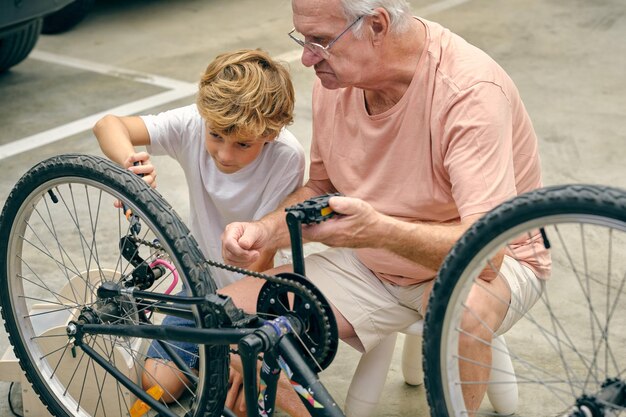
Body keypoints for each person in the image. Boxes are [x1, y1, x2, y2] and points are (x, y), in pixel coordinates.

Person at [220, 1, 547, 415]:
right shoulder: (336, 80)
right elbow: (322, 187)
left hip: (489, 266)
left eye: (319, 40)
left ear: (375, 25)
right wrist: (265, 230)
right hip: (373, 262)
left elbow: (486, 255)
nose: (306, 58)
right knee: (224, 315)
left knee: (462, 313)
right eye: (302, 39)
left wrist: (379, 232)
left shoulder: (467, 91)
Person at [93, 49, 305, 414]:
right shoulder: (196, 122)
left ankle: (219, 359)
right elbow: (108, 125)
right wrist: (131, 165)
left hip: (262, 294)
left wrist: (243, 339)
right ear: (206, 118)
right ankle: (212, 359)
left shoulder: (287, 157)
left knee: (243, 404)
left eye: (242, 144)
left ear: (271, 133)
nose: (224, 153)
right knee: (157, 384)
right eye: (217, 135)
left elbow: (264, 255)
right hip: (202, 285)